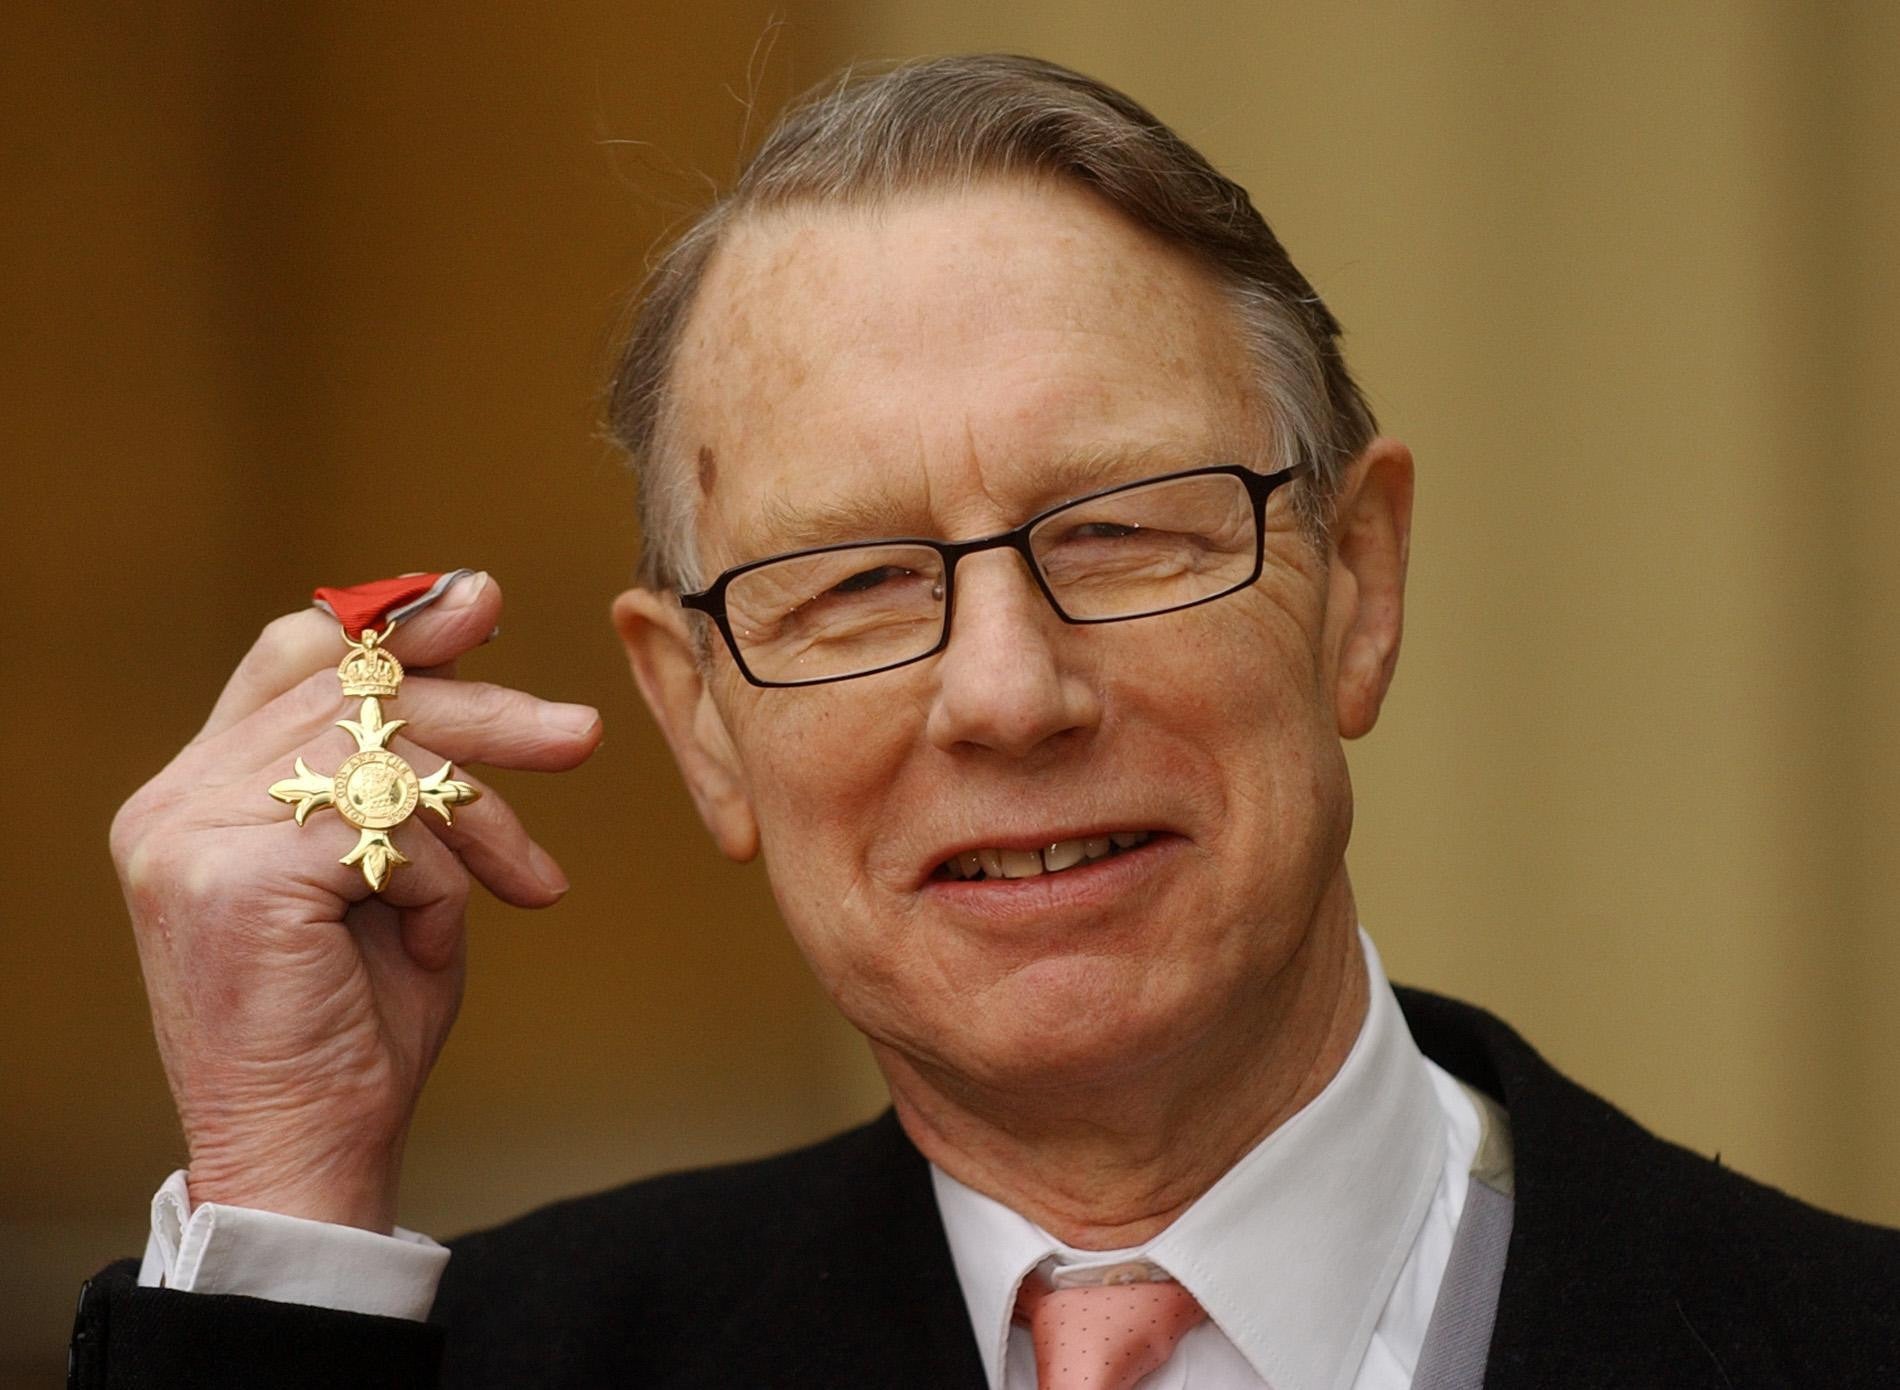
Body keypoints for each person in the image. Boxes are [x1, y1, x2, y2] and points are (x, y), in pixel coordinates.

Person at [74, 54, 1897, 1389]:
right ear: (700, 719)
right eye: (853, 583)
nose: (1009, 692)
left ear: (1359, 583)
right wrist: (285, 1186)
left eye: (1118, 530)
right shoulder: (450, 1363)